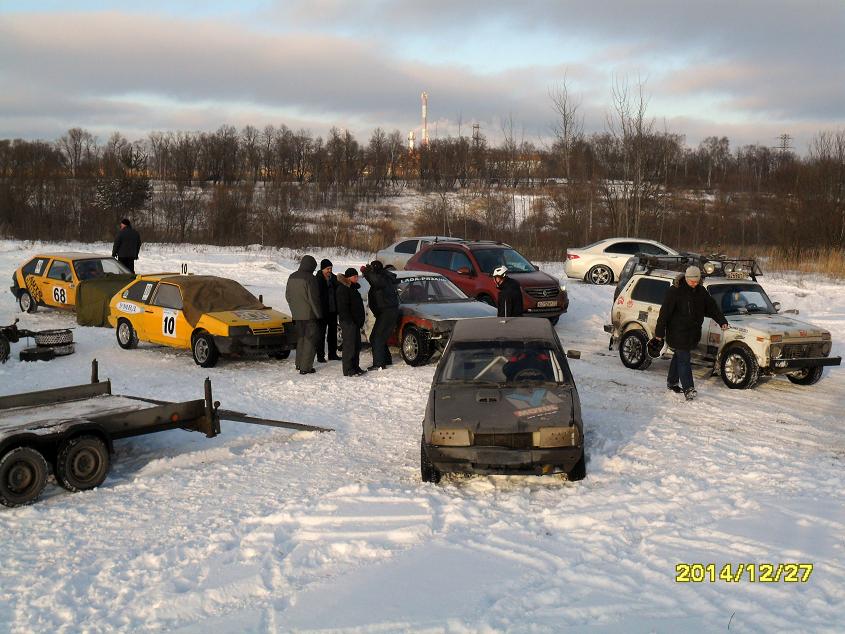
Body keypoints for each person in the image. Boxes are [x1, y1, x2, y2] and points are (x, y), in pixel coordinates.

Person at [655, 265, 729, 401]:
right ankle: (689, 388)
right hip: (677, 332)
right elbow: (664, 313)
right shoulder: (675, 291)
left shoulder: (701, 291)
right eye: (692, 281)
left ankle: (672, 383)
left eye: (696, 281)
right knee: (684, 359)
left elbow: (712, 307)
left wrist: (722, 321)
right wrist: (659, 333)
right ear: (686, 278)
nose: (694, 284)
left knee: (679, 356)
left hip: (693, 332)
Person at [285, 255, 323, 374]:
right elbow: (313, 299)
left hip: (297, 315)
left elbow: (288, 296)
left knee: (300, 339)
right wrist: (319, 314)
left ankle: (298, 363)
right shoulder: (311, 278)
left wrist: (294, 310)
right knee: (310, 340)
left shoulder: (292, 276)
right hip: (310, 315)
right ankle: (305, 367)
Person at [362, 260, 399, 370]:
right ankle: (386, 359)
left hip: (386, 312)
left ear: (375, 270)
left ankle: (379, 364)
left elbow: (376, 281)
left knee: (376, 337)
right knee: (379, 337)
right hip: (386, 312)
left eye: (372, 269)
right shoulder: (384, 277)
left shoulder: (382, 278)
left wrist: (367, 272)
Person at [335, 268, 367, 377]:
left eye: (357, 276)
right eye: (354, 276)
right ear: (348, 277)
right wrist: (350, 321)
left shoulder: (353, 288)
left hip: (355, 323)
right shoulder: (343, 289)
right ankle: (348, 369)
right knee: (349, 346)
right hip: (348, 322)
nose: (356, 278)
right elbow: (343, 308)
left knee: (356, 346)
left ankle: (355, 367)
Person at [315, 259, 340, 363]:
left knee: (332, 333)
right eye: (327, 269)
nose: (329, 270)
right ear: (322, 269)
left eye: (331, 268)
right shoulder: (318, 279)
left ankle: (332, 354)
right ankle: (320, 356)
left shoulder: (333, 278)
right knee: (321, 334)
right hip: (322, 311)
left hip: (333, 310)